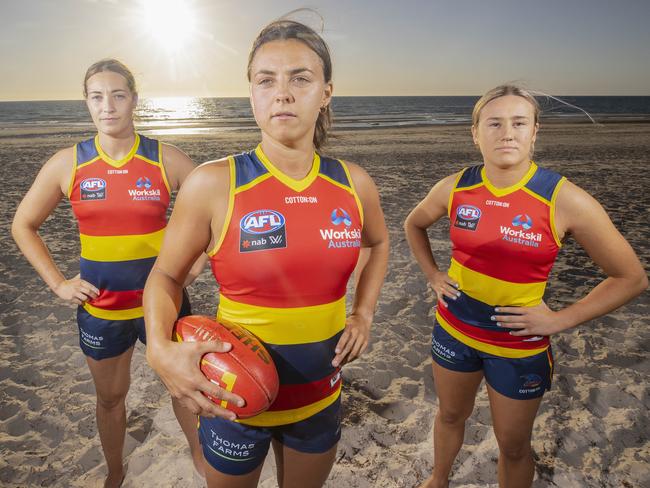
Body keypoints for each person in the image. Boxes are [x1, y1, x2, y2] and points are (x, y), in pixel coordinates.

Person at [143, 19, 389, 488]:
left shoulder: (353, 183)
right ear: (251, 94)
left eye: (300, 78)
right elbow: (166, 277)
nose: (283, 93)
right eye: (266, 79)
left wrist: (364, 313)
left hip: (320, 397)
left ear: (326, 92)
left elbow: (378, 243)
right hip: (232, 400)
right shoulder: (214, 183)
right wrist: (159, 347)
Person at [404, 84, 647, 488]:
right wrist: (432, 274)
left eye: (519, 123)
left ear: (535, 132)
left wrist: (562, 319)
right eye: (494, 123)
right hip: (453, 330)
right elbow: (414, 223)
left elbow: (631, 277)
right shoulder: (456, 186)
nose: (507, 133)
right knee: (449, 415)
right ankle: (438, 479)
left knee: (513, 446)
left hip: (518, 346)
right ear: (475, 133)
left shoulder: (563, 199)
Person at [11, 59, 206, 488]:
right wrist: (58, 283)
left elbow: (217, 217)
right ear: (86, 102)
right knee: (111, 398)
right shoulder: (69, 163)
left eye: (118, 95)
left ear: (133, 99)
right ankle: (116, 470)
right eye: (97, 96)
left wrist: (196, 264)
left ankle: (199, 458)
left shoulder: (165, 159)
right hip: (101, 309)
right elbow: (22, 224)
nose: (108, 106)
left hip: (164, 305)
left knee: (184, 390)